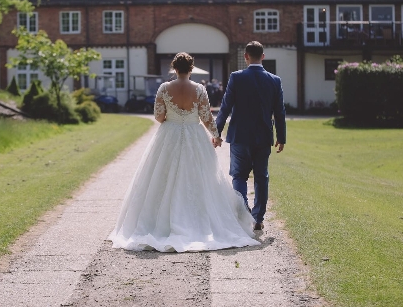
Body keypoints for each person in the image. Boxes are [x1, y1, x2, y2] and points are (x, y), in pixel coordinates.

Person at [109, 52, 260, 252]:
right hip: (194, 134)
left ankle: (161, 221)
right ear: (190, 69)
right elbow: (206, 117)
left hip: (168, 134)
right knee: (199, 177)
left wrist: (172, 117)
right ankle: (198, 220)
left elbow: (158, 116)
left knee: (161, 175)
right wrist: (216, 135)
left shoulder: (164, 88)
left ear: (174, 68)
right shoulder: (199, 89)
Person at [215, 41, 286, 231]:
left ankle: (243, 213)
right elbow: (279, 112)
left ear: (246, 56)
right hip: (263, 136)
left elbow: (226, 107)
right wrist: (281, 137)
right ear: (263, 56)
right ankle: (258, 218)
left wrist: (217, 132)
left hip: (240, 136)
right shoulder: (274, 80)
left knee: (239, 175)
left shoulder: (236, 77)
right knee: (261, 176)